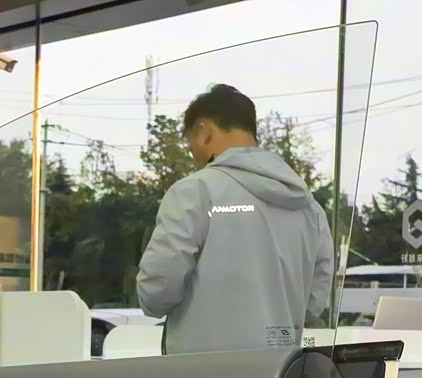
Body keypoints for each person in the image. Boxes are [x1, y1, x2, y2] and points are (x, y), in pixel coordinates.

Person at [136, 84, 333, 355]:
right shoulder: (309, 209)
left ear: (204, 130)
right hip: (278, 370)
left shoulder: (194, 193)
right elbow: (315, 300)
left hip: (204, 372)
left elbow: (157, 291)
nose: (193, 153)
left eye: (191, 142)